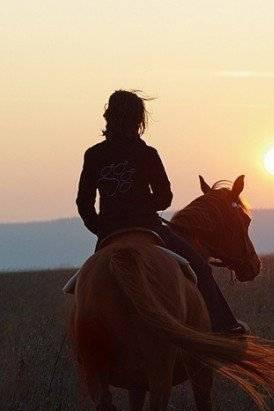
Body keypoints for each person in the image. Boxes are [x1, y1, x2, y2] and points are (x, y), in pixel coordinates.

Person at [76, 89, 248, 335]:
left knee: (82, 288)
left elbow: (84, 204)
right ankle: (226, 326)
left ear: (108, 117)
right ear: (139, 120)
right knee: (199, 265)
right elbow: (165, 198)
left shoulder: (93, 155)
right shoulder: (147, 154)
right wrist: (143, 205)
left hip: (109, 235)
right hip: (148, 228)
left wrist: (102, 230)